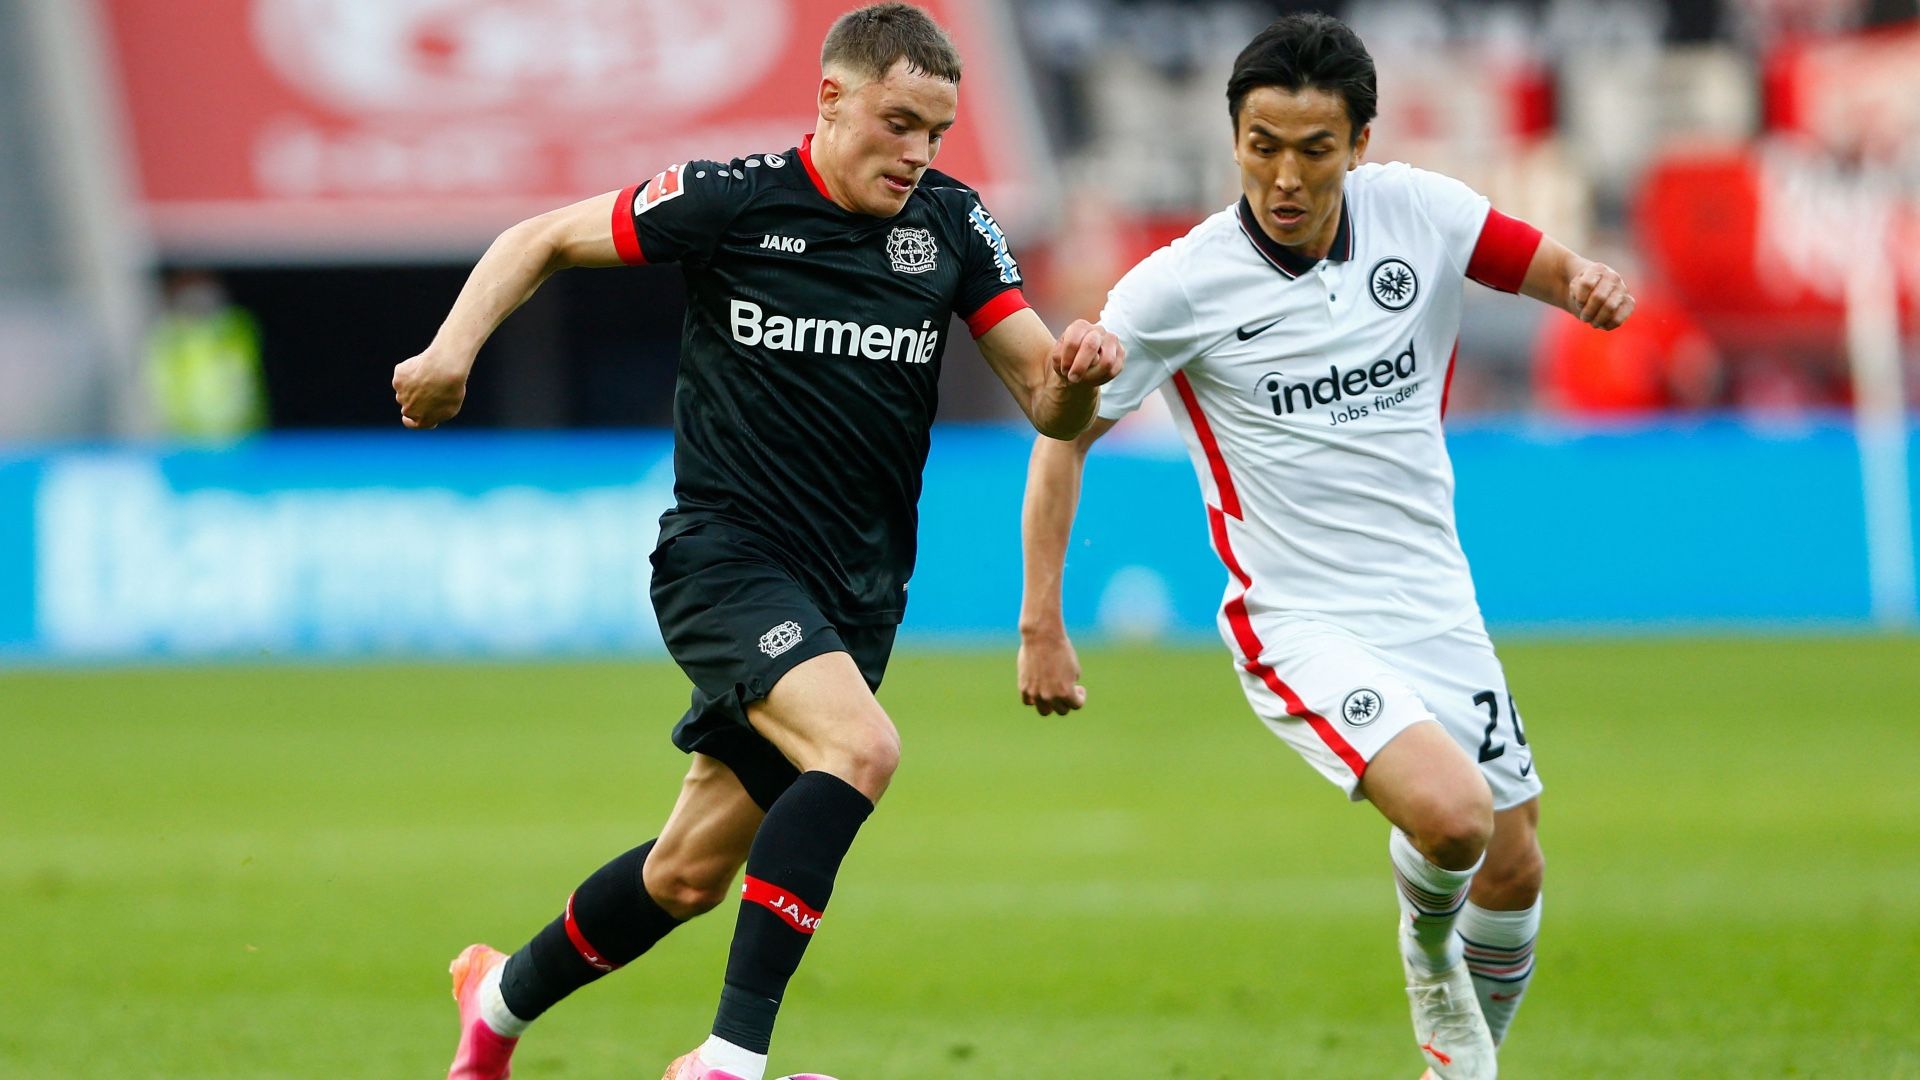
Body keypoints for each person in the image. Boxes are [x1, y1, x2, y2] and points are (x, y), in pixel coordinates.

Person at [391, 6, 1123, 1079]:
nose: (919, 153)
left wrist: (1077, 377)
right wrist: (451, 349)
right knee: (862, 749)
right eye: (899, 122)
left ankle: (495, 1002)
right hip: (726, 559)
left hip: (856, 596)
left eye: (937, 130)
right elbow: (537, 237)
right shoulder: (732, 201)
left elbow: (1046, 410)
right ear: (832, 99)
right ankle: (728, 1062)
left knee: (687, 873)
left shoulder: (954, 228)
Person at [1016, 14, 1631, 1080]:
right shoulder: (1179, 286)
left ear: (1359, 141)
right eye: (1263, 145)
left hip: (1435, 599)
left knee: (1515, 865)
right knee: (1452, 821)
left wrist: (1586, 285)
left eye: (1313, 148)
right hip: (1299, 619)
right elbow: (1060, 437)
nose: (1285, 176)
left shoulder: (1420, 213)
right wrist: (1042, 622)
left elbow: (1538, 263)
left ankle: (1456, 1066)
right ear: (1234, 138)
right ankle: (1427, 953)